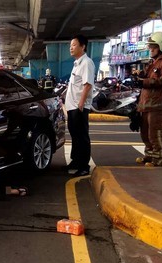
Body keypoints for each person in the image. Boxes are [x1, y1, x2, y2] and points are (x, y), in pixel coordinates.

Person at [134, 31, 162, 167]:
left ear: (160, 47)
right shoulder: (152, 63)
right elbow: (147, 78)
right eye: (150, 46)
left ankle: (159, 159)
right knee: (145, 133)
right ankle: (149, 156)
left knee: (156, 133)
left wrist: (144, 81)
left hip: (157, 105)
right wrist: (140, 75)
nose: (150, 49)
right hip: (146, 104)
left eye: (153, 46)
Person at [64, 34, 95, 176]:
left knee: (82, 136)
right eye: (70, 45)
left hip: (79, 107)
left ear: (83, 47)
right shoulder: (77, 63)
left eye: (74, 45)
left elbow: (87, 85)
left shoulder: (86, 63)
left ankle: (84, 166)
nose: (71, 48)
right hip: (72, 106)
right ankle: (76, 161)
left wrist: (81, 104)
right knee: (75, 135)